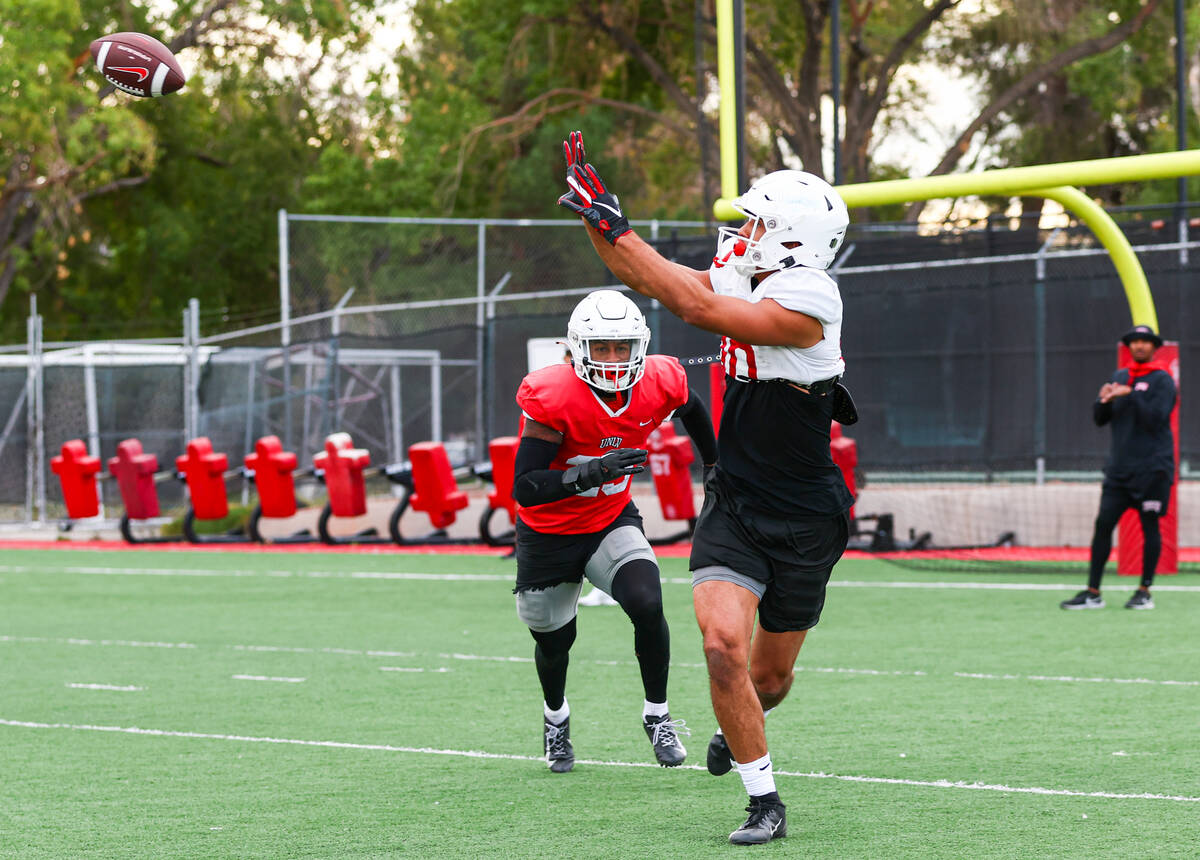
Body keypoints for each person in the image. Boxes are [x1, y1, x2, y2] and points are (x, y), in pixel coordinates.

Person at [557, 131, 855, 845]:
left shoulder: (810, 300)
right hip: (736, 502)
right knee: (722, 646)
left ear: (791, 237)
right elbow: (661, 278)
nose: (743, 232)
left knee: (770, 679)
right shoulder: (756, 274)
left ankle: (739, 725)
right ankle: (765, 801)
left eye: (758, 221)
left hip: (807, 513)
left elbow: (693, 307)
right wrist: (602, 223)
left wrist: (618, 230)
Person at [511, 288, 718, 773]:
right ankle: (556, 718)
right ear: (578, 348)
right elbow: (526, 486)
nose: (611, 358)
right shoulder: (553, 394)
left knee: (647, 601)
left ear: (638, 347)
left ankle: (657, 715)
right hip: (549, 532)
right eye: (600, 347)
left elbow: (693, 408)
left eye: (620, 347)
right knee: (554, 642)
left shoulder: (661, 378)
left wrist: (715, 464)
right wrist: (592, 471)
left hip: (609, 521)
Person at [1061, 324, 1176, 611]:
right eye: (1134, 342)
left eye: (1145, 342)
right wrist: (1103, 401)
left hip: (1152, 471)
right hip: (1119, 471)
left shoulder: (1163, 379)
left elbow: (1157, 418)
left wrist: (1132, 395)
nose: (1139, 346)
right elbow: (1101, 419)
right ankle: (1092, 592)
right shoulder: (1120, 377)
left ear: (1154, 347)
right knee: (1103, 526)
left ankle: (1144, 591)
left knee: (1150, 527)